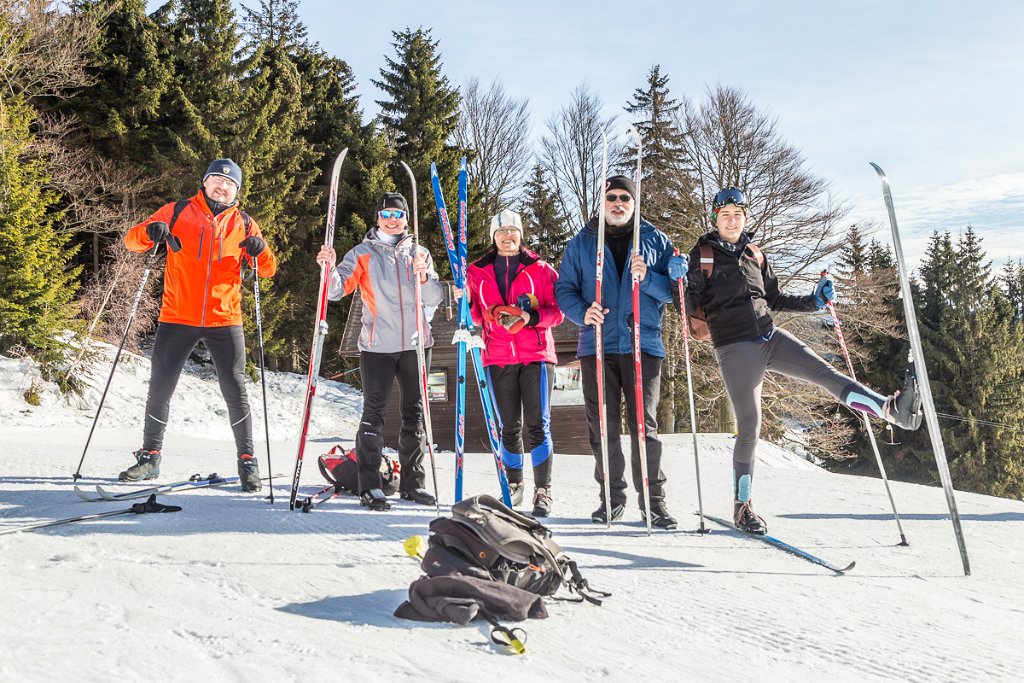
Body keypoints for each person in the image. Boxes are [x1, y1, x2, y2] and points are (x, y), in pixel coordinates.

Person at [674, 187, 924, 534]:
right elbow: (686, 305)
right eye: (725, 214)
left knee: (826, 373)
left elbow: (774, 298)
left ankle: (890, 410)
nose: (732, 220)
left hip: (769, 336)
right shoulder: (701, 255)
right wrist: (678, 281)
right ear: (715, 218)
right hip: (734, 347)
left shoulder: (755, 254)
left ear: (746, 217)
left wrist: (815, 302)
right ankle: (742, 507)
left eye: (738, 214)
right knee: (750, 427)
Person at [121, 159, 277, 492]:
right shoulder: (176, 211)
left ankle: (248, 461)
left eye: (230, 183)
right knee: (160, 386)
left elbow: (268, 269)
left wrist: (260, 251)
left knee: (236, 390)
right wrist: (150, 232)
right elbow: (132, 242)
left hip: (225, 318)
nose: (222, 186)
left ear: (237, 190)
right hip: (178, 315)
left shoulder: (245, 224)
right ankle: (150, 458)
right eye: (217, 180)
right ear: (204, 183)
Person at [555, 175, 678, 529]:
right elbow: (564, 289)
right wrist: (581, 312)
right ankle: (611, 499)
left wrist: (649, 278)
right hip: (597, 345)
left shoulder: (655, 240)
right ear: (603, 202)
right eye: (611, 197)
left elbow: (674, 292)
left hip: (643, 344)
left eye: (625, 197)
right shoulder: (581, 243)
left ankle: (654, 504)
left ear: (634, 202)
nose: (618, 203)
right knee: (603, 427)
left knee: (644, 427)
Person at [315, 192, 443, 511]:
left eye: (397, 215)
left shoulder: (419, 252)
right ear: (377, 218)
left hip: (416, 344)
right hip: (377, 346)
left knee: (414, 415)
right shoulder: (362, 254)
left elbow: (435, 297)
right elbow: (335, 290)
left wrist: (423, 276)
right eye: (386, 214)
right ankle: (370, 485)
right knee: (374, 413)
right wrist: (328, 268)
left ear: (405, 219)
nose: (392, 219)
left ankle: (414, 485)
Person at [464, 209, 564, 517]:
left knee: (538, 426)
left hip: (536, 355)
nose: (508, 235)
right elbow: (476, 316)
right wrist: (465, 301)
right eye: (502, 230)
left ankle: (543, 490)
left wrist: (530, 317)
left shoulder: (541, 269)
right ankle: (514, 485)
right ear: (493, 236)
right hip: (497, 356)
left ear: (521, 235)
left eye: (513, 230)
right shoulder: (476, 271)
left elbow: (558, 312)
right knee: (508, 426)